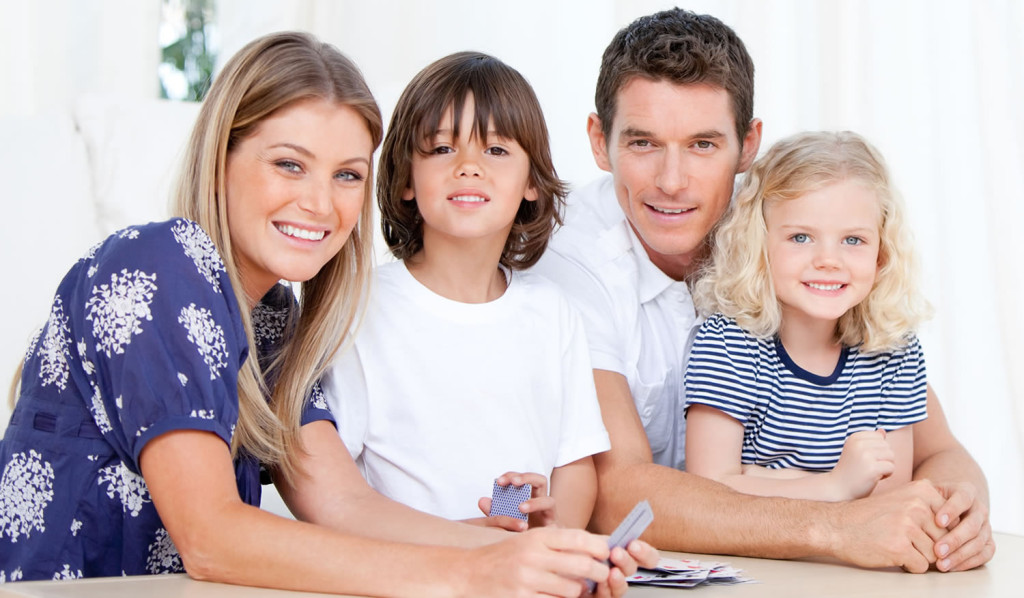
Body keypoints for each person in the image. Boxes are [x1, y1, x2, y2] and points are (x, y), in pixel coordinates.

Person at [0, 32, 654, 596]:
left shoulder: (278, 318)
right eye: (290, 164)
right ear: (221, 157)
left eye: (345, 176)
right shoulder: (161, 261)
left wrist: (529, 556)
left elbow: (343, 504)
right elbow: (211, 537)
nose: (320, 204)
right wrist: (468, 576)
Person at [532, 8, 994, 573]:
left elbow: (937, 446)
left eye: (703, 144)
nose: (672, 181)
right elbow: (615, 494)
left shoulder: (789, 229)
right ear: (599, 143)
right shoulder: (570, 260)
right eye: (644, 143)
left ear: (747, 143)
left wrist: (960, 508)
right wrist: (838, 522)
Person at [322, 51, 609, 530]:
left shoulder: (553, 311)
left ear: (532, 183)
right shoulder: (357, 307)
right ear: (406, 179)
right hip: (405, 571)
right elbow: (337, 486)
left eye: (496, 150)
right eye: (441, 149)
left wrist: (554, 538)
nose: (469, 167)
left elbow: (575, 463)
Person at [684, 131, 931, 501]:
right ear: (759, 243)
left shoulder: (896, 353)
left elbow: (891, 499)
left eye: (853, 240)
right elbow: (708, 490)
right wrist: (837, 484)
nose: (828, 260)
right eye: (801, 237)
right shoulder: (727, 344)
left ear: (881, 253)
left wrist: (763, 479)